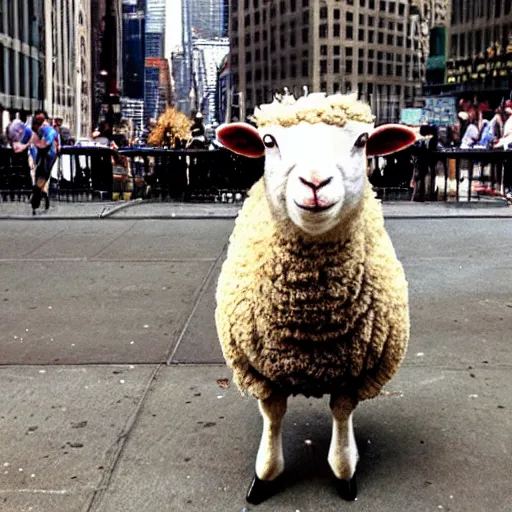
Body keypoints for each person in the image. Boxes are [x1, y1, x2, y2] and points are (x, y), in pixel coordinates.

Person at [30, 111, 59, 214]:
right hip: (42, 153)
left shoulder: (48, 129)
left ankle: (38, 193)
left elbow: (50, 139)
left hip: (48, 154)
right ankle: (39, 192)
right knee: (40, 176)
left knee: (43, 175)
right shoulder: (39, 128)